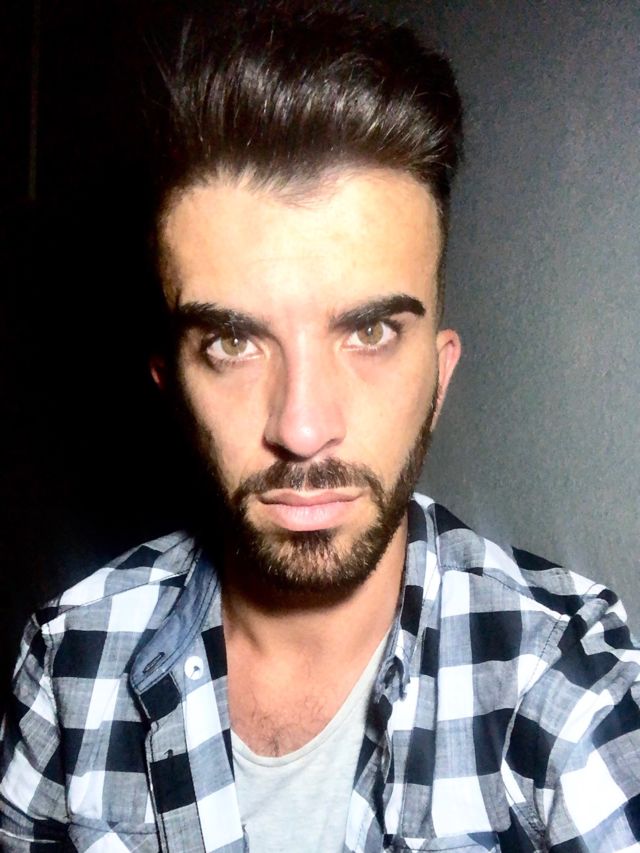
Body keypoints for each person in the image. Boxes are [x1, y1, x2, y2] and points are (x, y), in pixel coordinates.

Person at [1, 2, 639, 851]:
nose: (302, 429)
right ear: (172, 388)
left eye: (369, 332)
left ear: (440, 375)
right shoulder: (68, 662)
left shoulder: (570, 687)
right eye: (232, 342)